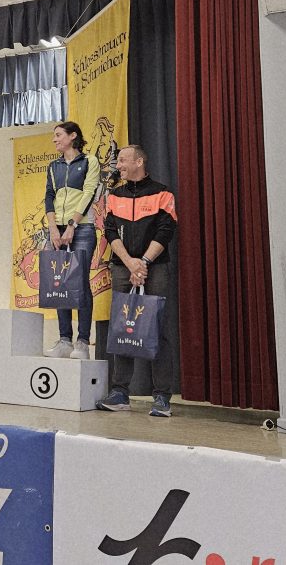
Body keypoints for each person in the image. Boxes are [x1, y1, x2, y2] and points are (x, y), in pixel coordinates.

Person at [96, 146, 178, 417]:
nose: (118, 165)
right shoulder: (114, 195)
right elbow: (110, 232)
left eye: (122, 160)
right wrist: (130, 263)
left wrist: (143, 262)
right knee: (123, 328)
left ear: (139, 161)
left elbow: (166, 230)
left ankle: (162, 396)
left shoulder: (162, 193)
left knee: (156, 328)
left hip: (155, 268)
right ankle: (120, 392)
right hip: (123, 268)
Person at [42, 121, 100, 360]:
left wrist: (72, 225)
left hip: (82, 228)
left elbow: (89, 193)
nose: (54, 139)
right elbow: (49, 196)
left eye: (58, 135)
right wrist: (53, 228)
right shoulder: (53, 166)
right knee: (59, 283)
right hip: (57, 229)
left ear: (72, 135)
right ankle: (64, 339)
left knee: (80, 282)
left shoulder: (89, 161)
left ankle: (83, 342)